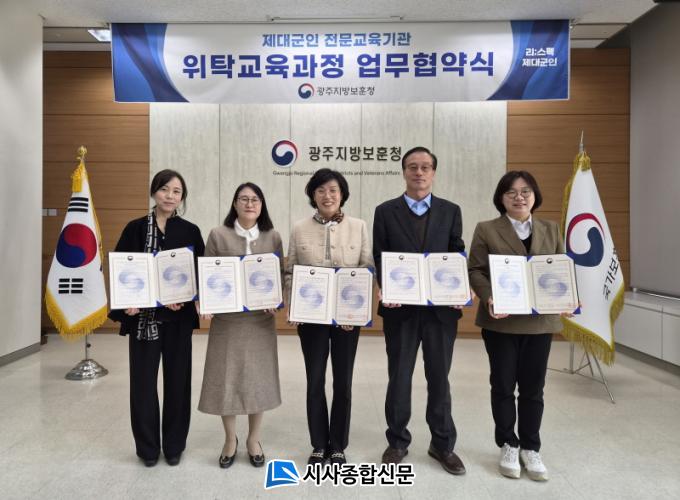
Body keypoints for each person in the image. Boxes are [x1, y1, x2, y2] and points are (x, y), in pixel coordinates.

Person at [468, 170, 573, 482]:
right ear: (501, 198)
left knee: (533, 388)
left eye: (525, 191)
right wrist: (488, 296)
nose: (519, 197)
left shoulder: (551, 229)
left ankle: (531, 446)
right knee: (502, 385)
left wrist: (566, 296)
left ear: (535, 196)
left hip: (540, 323)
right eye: (511, 192)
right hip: (501, 322)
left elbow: (559, 270)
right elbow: (475, 270)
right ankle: (508, 444)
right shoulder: (487, 229)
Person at [373, 146, 466, 475]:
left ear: (434, 173)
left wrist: (459, 288)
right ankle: (398, 440)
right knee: (399, 377)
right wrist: (385, 287)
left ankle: (442, 444)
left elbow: (456, 252)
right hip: (400, 311)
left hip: (441, 312)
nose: (419, 172)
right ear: (404, 172)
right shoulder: (385, 211)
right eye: (412, 166)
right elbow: (380, 254)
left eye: (425, 167)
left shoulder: (450, 211)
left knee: (439, 378)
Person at [109, 169, 205, 467]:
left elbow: (199, 274)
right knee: (142, 386)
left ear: (182, 197)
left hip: (177, 321)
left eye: (177, 192)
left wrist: (188, 297)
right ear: (154, 192)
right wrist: (128, 302)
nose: (170, 196)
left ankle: (174, 446)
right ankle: (148, 449)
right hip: (143, 322)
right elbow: (123, 272)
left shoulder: (190, 231)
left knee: (178, 384)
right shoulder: (135, 228)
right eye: (165, 189)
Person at [284, 168, 373, 466]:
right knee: (315, 380)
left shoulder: (359, 226)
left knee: (343, 382)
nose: (327, 195)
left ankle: (338, 445)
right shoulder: (299, 228)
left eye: (333, 190)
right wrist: (293, 305)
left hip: (347, 319)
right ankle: (319, 444)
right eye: (321, 190)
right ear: (313, 195)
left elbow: (366, 269)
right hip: (311, 318)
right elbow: (290, 271)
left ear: (342, 194)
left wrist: (354, 312)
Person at [198, 182, 283, 469]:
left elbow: (280, 275)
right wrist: (207, 303)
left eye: (255, 199)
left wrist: (277, 300)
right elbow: (207, 275)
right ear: (234, 204)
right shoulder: (218, 234)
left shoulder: (273, 236)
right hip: (228, 321)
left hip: (260, 320)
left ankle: (254, 439)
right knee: (228, 378)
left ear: (262, 205)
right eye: (243, 199)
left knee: (258, 379)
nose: (249, 204)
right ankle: (230, 439)